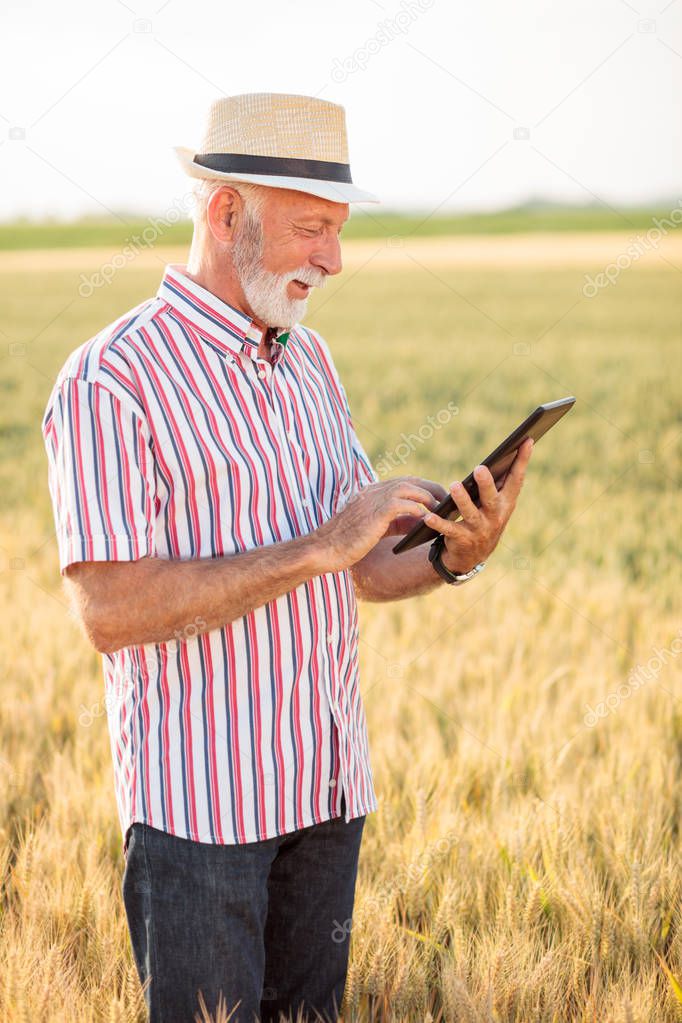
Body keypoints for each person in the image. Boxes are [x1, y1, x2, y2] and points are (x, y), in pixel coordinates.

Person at [41, 93, 533, 1022]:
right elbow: (110, 612)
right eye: (313, 228)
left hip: (328, 797)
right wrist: (313, 547)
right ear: (229, 214)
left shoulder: (309, 362)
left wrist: (450, 555)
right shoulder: (112, 381)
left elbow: (359, 564)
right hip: (200, 825)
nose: (334, 260)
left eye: (338, 231)